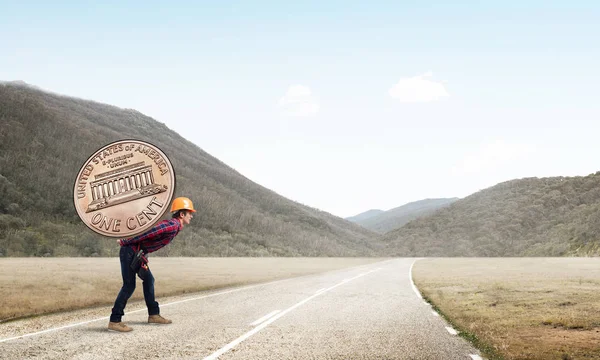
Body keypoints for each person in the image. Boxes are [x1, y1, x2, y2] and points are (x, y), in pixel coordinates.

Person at [108, 197, 195, 332]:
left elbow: (149, 239)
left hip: (137, 253)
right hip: (130, 250)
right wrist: (126, 241)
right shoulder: (172, 225)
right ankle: (114, 321)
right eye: (190, 213)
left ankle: (153, 315)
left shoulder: (175, 227)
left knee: (149, 280)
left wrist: (143, 255)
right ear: (182, 214)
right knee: (129, 285)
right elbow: (149, 232)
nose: (192, 216)